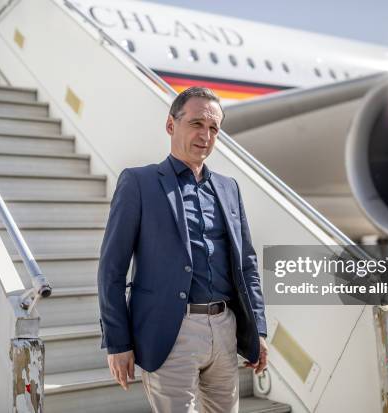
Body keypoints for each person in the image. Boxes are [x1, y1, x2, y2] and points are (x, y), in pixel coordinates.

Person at [97, 86, 268, 412]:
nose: (206, 135)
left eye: (214, 128)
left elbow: (246, 264)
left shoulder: (228, 188)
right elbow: (112, 269)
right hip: (170, 332)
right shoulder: (138, 183)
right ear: (171, 125)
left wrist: (257, 329)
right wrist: (118, 342)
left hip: (224, 327)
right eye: (197, 124)